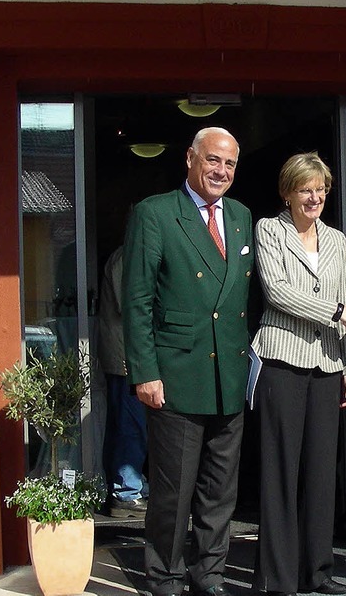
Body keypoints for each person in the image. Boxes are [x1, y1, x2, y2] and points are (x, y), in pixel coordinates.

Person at [122, 127, 253, 596]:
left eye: (231, 164)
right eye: (213, 160)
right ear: (191, 160)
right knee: (173, 492)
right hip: (176, 373)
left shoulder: (240, 216)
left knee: (220, 491)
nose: (221, 171)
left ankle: (209, 574)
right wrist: (145, 371)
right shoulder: (156, 213)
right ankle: (166, 575)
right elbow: (137, 300)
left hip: (229, 375)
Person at [251, 152, 346, 596]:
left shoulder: (337, 239)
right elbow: (278, 293)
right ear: (288, 192)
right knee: (280, 471)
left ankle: (318, 571)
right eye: (305, 189)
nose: (315, 197)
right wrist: (338, 313)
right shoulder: (269, 230)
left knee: (322, 471)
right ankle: (277, 579)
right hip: (281, 361)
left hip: (327, 365)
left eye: (320, 189)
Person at [98, 244, 149, 518]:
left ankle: (131, 486)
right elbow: (130, 304)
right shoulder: (126, 257)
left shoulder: (126, 255)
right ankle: (126, 492)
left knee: (127, 425)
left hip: (126, 357)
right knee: (130, 426)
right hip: (125, 358)